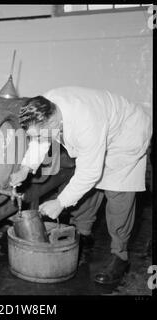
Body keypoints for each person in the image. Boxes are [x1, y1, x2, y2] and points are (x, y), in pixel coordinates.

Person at [9, 86, 152, 285]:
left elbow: (90, 172)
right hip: (101, 128)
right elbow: (40, 139)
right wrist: (26, 167)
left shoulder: (86, 121)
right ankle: (83, 232)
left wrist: (60, 202)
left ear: (52, 121)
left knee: (117, 191)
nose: (39, 139)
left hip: (126, 134)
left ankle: (119, 256)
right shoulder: (46, 106)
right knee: (88, 186)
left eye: (40, 134)